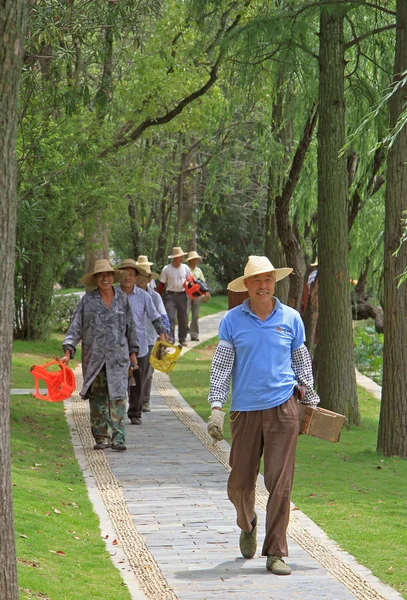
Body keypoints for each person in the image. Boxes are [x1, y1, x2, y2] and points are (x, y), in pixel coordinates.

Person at [207, 256, 320, 575]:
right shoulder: (232, 320)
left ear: (274, 282)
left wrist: (310, 400)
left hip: (283, 409)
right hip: (245, 412)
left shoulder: (291, 318)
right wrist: (217, 407)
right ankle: (248, 524)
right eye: (256, 280)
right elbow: (221, 367)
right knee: (239, 483)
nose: (263, 285)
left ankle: (276, 552)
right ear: (246, 286)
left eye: (268, 279)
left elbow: (302, 363)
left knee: (279, 483)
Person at [61, 259, 139, 452]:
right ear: (96, 279)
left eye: (108, 275)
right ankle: (101, 437)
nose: (105, 278)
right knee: (98, 398)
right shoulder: (87, 301)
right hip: (94, 358)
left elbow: (131, 328)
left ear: (113, 277)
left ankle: (118, 437)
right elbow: (75, 327)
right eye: (101, 275)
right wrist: (68, 350)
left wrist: (133, 353)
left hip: (118, 358)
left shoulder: (122, 299)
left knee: (119, 397)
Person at [118, 259, 168, 425]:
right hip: (117, 345)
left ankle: (135, 412)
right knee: (118, 379)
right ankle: (116, 412)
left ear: (136, 277)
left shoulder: (144, 297)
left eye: (131, 274)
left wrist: (162, 332)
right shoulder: (113, 295)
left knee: (138, 382)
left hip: (140, 344)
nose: (128, 278)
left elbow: (155, 316)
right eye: (125, 274)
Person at [134, 255, 170, 412]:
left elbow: (162, 316)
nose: (141, 280)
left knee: (148, 371)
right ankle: (135, 400)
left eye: (144, 277)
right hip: (131, 339)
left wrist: (164, 333)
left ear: (149, 279)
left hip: (149, 339)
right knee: (134, 372)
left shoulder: (154, 296)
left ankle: (144, 400)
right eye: (139, 276)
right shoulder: (128, 295)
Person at [157, 246, 192, 346]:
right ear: (173, 258)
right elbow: (161, 285)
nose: (178, 259)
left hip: (182, 294)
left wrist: (191, 291)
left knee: (183, 317)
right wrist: (157, 297)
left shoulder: (185, 268)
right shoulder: (166, 269)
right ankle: (171, 338)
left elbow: (191, 282)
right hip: (170, 296)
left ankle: (182, 338)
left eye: (180, 257)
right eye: (176, 257)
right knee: (170, 317)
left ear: (181, 258)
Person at [185, 250, 210, 342]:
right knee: (185, 314)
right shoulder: (185, 269)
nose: (196, 260)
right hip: (187, 294)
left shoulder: (199, 270)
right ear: (190, 260)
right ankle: (185, 331)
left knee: (195, 315)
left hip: (197, 295)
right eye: (195, 259)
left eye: (197, 259)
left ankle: (194, 335)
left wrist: (205, 293)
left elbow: (203, 283)